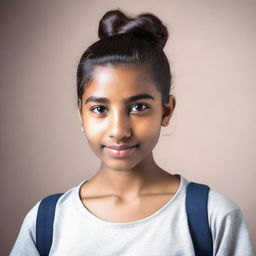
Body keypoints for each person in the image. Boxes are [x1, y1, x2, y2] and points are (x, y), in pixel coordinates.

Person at [10, 9, 254, 256]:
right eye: (99, 109)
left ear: (166, 111)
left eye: (139, 107)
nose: (119, 130)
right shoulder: (46, 222)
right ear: (80, 113)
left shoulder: (213, 217)